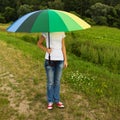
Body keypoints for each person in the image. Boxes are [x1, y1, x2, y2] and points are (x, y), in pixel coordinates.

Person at [37, 32, 68, 110]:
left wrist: (65, 60)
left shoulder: (61, 32)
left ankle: (57, 100)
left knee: (57, 82)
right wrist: (46, 49)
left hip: (60, 60)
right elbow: (39, 44)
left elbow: (63, 46)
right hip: (49, 60)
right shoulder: (46, 32)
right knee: (50, 82)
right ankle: (50, 101)